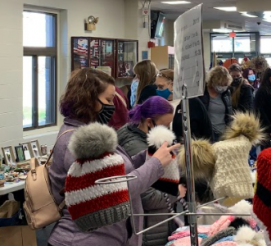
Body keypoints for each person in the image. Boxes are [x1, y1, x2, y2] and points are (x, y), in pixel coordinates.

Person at [49, 68, 179, 246]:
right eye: (108, 100)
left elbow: (113, 171)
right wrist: (156, 164)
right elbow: (111, 190)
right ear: (88, 99)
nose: (113, 106)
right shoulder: (77, 141)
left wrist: (148, 156)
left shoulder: (91, 133)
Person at [117, 96, 183, 246]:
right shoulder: (137, 147)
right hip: (148, 226)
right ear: (149, 122)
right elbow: (147, 197)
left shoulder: (132, 134)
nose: (168, 130)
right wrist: (177, 191)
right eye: (165, 126)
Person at [173, 66, 233, 143]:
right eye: (220, 84)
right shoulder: (201, 94)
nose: (223, 87)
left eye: (225, 85)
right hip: (207, 135)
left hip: (224, 133)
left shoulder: (226, 94)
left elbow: (229, 113)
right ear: (213, 81)